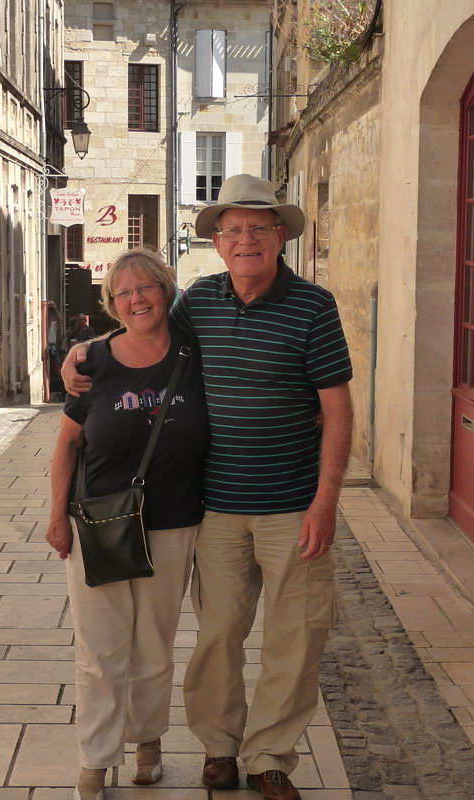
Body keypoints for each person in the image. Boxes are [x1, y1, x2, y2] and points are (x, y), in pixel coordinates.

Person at [61, 174, 353, 800]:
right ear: (217, 242)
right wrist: (85, 351)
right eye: (233, 230)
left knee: (295, 638)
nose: (246, 240)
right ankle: (219, 748)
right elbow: (140, 328)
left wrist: (326, 502)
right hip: (216, 508)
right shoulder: (199, 301)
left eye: (259, 227)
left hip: (294, 506)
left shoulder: (314, 306)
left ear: (280, 236)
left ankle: (269, 756)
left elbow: (338, 409)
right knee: (218, 637)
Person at [46, 248, 209, 800]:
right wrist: (56, 517)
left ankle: (148, 741)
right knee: (100, 650)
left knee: (154, 646)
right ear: (112, 304)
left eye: (146, 287)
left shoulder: (194, 351)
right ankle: (95, 760)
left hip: (173, 524)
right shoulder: (92, 362)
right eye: (124, 293)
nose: (137, 299)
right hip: (101, 524)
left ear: (166, 290)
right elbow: (66, 446)